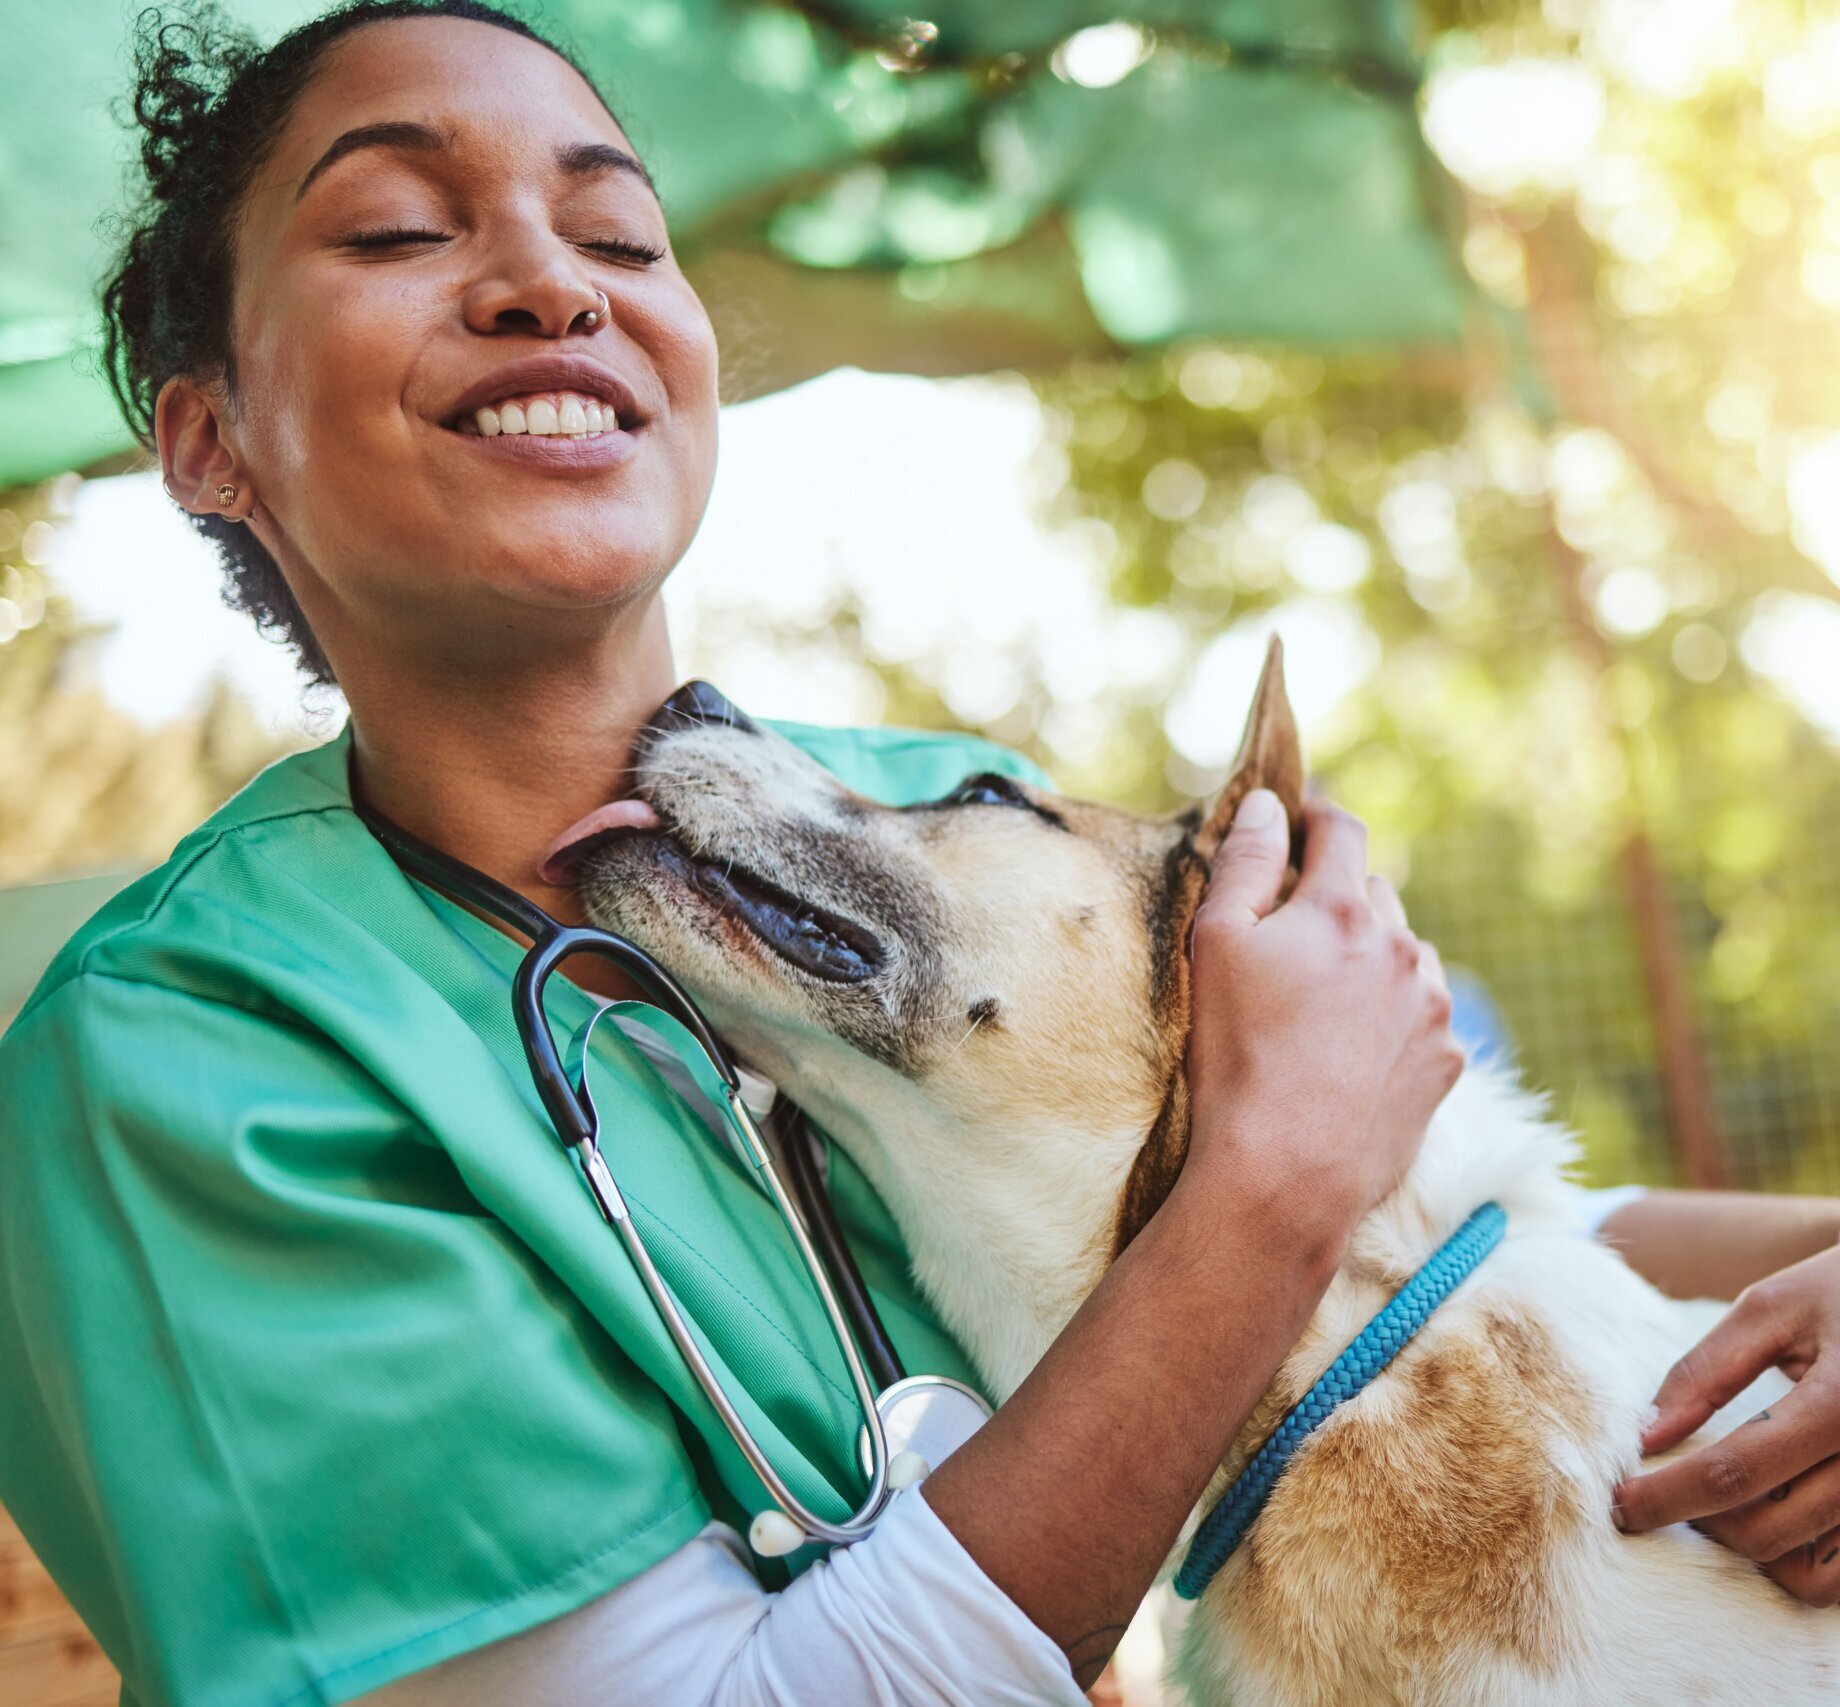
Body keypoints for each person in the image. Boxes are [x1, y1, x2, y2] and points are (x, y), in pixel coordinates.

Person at [0, 6, 1835, 1705]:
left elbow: (1420, 1247)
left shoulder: (934, 809)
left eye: (622, 238)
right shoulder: (187, 1058)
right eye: (399, 230)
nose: (549, 283)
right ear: (210, 440)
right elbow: (1282, 1208)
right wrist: (1263, 1190)